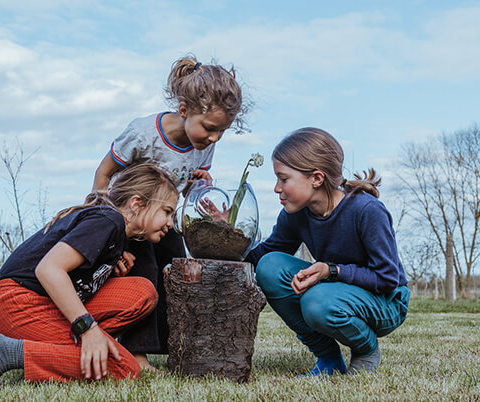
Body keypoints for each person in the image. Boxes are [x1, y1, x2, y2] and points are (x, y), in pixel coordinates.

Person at [91, 55, 247, 371]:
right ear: (184, 110)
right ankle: (136, 353)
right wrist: (104, 221)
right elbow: (103, 173)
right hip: (131, 221)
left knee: (177, 268)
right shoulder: (143, 133)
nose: (214, 138)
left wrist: (198, 186)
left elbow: (184, 189)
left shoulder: (204, 144)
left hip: (164, 221)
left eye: (222, 131)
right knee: (145, 269)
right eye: (210, 128)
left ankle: (174, 345)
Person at [0, 164, 178, 388]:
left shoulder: (112, 230)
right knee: (123, 368)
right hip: (16, 304)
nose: (170, 223)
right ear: (136, 203)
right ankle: (4, 352)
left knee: (142, 292)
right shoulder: (108, 221)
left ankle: (71, 350)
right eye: (166, 212)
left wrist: (104, 270)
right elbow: (48, 269)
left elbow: (73, 277)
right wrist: (87, 328)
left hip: (36, 302)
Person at [245, 128, 409, 377]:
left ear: (317, 178)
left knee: (317, 301)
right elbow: (263, 256)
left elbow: (387, 279)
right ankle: (329, 360)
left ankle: (366, 348)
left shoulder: (367, 211)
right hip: (333, 289)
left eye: (284, 179)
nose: (276, 188)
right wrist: (227, 237)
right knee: (270, 267)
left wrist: (331, 271)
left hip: (386, 301)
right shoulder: (296, 214)